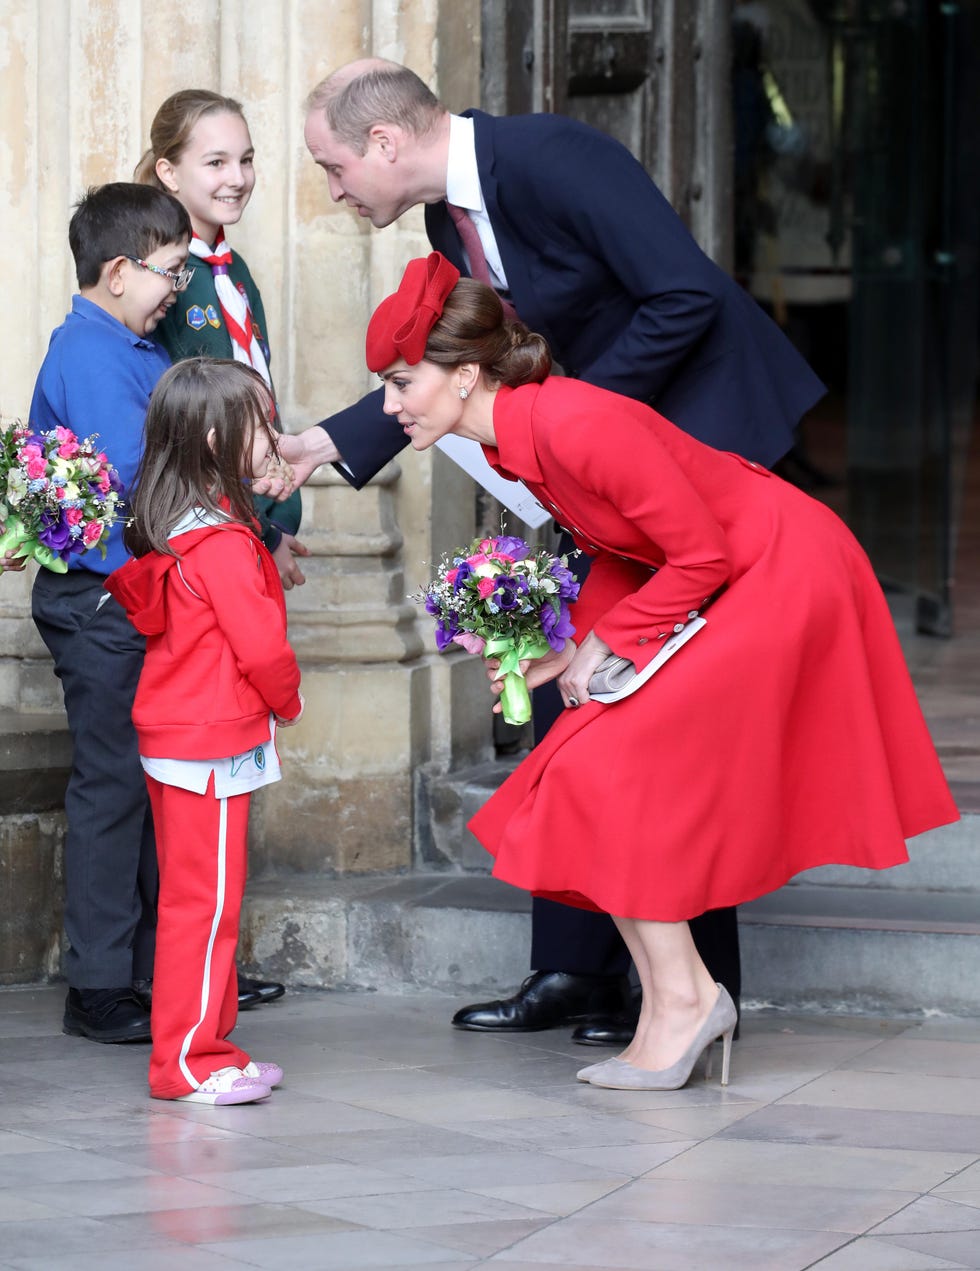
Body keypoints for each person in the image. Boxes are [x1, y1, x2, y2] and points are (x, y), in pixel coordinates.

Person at [272, 58, 827, 1043]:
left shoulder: (555, 157)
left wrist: (568, 429)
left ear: (384, 146)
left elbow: (682, 296)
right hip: (614, 475)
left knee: (662, 722)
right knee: (566, 700)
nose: (334, 191)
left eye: (331, 167)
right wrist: (325, 440)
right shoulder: (451, 216)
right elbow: (445, 366)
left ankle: (692, 991)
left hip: (711, 457)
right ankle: (576, 967)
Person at [364, 253, 959, 1088]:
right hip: (728, 571)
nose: (389, 405)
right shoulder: (519, 439)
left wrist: (614, 645)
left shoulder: (574, 422)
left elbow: (699, 552)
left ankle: (685, 999)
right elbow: (621, 547)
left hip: (785, 571)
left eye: (400, 382)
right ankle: (676, 1001)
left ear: (464, 376)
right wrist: (572, 646)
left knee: (609, 765)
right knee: (585, 770)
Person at [135, 87, 307, 1009]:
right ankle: (181, 982)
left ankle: (215, 971)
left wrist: (278, 525)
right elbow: (179, 419)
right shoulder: (168, 283)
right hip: (205, 538)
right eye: (215, 161)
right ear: (167, 171)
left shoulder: (236, 274)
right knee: (190, 793)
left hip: (249, 523)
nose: (237, 177)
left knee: (223, 795)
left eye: (245, 158)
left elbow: (259, 394)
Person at [105, 358, 304, 1105]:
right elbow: (260, 648)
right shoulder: (218, 540)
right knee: (205, 907)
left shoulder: (192, 523)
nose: (275, 437)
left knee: (205, 902)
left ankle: (213, 1047)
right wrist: (288, 700)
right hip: (210, 743)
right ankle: (188, 1061)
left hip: (186, 736)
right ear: (220, 437)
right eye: (263, 423)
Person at [29, 182, 192, 1043]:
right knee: (111, 784)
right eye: (171, 270)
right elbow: (140, 481)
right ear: (120, 269)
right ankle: (97, 987)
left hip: (136, 594)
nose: (179, 286)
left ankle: (153, 969)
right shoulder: (91, 354)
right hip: (101, 601)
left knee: (141, 781)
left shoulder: (135, 343)